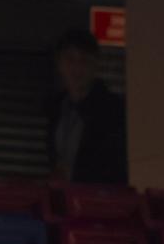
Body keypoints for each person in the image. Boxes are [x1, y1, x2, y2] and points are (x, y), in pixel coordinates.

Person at [47, 28, 128, 184]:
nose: (76, 68)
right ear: (59, 64)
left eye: (84, 60)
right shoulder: (57, 107)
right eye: (70, 59)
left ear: (95, 64)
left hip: (96, 198)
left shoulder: (111, 110)